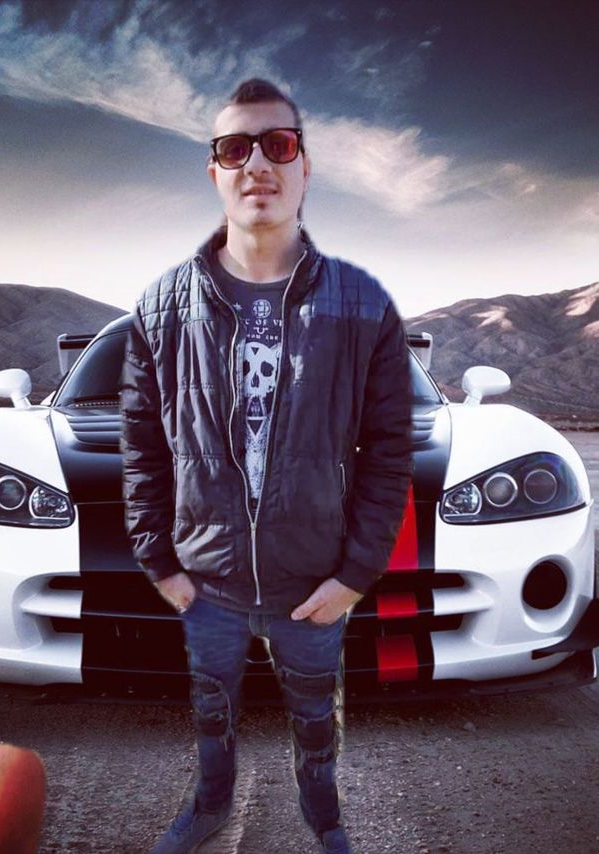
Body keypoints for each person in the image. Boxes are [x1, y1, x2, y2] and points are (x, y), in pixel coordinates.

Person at [120, 78, 413, 854]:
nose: (257, 164)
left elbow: (390, 451)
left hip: (313, 582)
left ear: (305, 167)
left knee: (316, 714)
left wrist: (354, 575)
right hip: (206, 581)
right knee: (211, 710)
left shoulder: (363, 304)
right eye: (234, 148)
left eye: (278, 145)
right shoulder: (160, 307)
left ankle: (325, 816)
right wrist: (161, 564)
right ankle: (210, 806)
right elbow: (141, 446)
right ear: (213, 172)